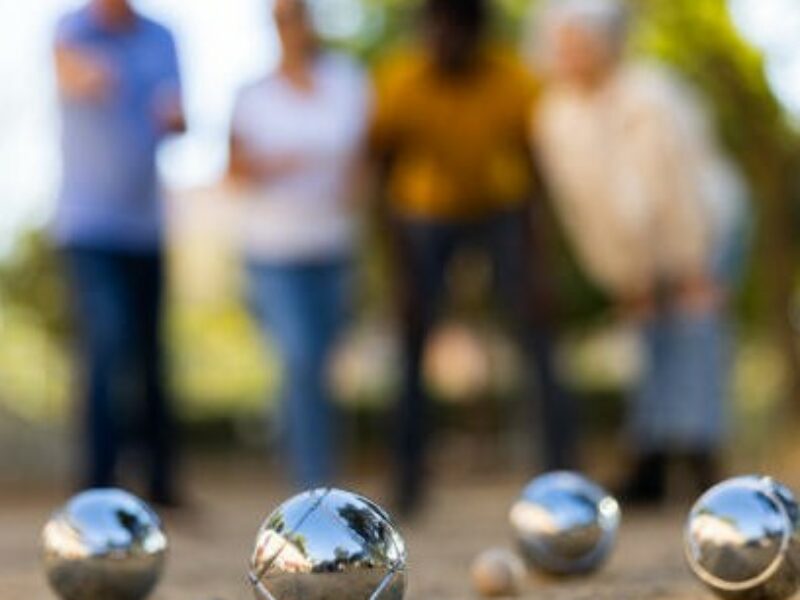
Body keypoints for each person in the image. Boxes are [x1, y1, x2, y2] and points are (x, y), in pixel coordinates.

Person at [532, 0, 748, 503]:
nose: (571, 53)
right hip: (634, 249)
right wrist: (625, 277)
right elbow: (583, 212)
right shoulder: (554, 116)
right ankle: (650, 460)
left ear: (608, 41)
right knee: (647, 339)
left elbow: (678, 187)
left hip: (706, 225)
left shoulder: (652, 94)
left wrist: (693, 266)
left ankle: (702, 462)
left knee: (694, 336)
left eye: (582, 40)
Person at [370, 0, 577, 515]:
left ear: (478, 31)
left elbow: (535, 177)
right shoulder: (400, 82)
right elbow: (380, 181)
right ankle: (407, 480)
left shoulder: (514, 81)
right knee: (412, 343)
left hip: (499, 211)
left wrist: (537, 268)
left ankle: (561, 475)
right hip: (423, 217)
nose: (444, 37)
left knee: (538, 336)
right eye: (435, 25)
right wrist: (400, 275)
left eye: (457, 26)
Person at [228, 0, 369, 489]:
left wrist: (355, 184)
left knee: (323, 366)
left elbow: (363, 158)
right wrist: (277, 164)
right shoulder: (252, 94)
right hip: (273, 250)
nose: (290, 28)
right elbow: (234, 171)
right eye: (280, 19)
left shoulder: (348, 81)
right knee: (300, 357)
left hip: (332, 245)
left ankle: (310, 462)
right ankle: (312, 482)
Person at [53, 0, 185, 504]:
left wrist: (175, 117)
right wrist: (110, 79)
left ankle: (162, 485)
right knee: (107, 347)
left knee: (153, 356)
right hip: (88, 225)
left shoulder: (163, 36)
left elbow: (178, 117)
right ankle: (96, 488)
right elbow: (76, 75)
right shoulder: (70, 28)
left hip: (147, 225)